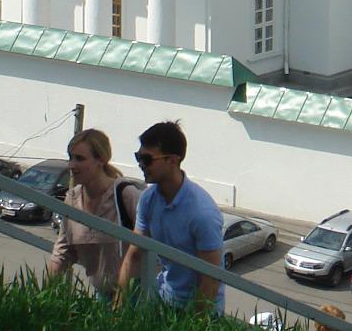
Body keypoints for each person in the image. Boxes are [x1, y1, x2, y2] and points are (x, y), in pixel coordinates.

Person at [115, 121, 224, 312]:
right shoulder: (148, 199)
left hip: (200, 309)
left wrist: (194, 328)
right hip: (165, 298)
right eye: (138, 157)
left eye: (147, 159)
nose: (141, 164)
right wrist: (117, 308)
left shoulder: (202, 212)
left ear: (173, 160)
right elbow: (134, 255)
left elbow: (210, 280)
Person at [47, 128, 139, 299]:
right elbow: (63, 251)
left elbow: (151, 247)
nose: (71, 165)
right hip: (103, 294)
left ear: (101, 160)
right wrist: (45, 296)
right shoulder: (72, 199)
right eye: (70, 158)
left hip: (135, 295)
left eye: (80, 159)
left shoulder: (125, 195)